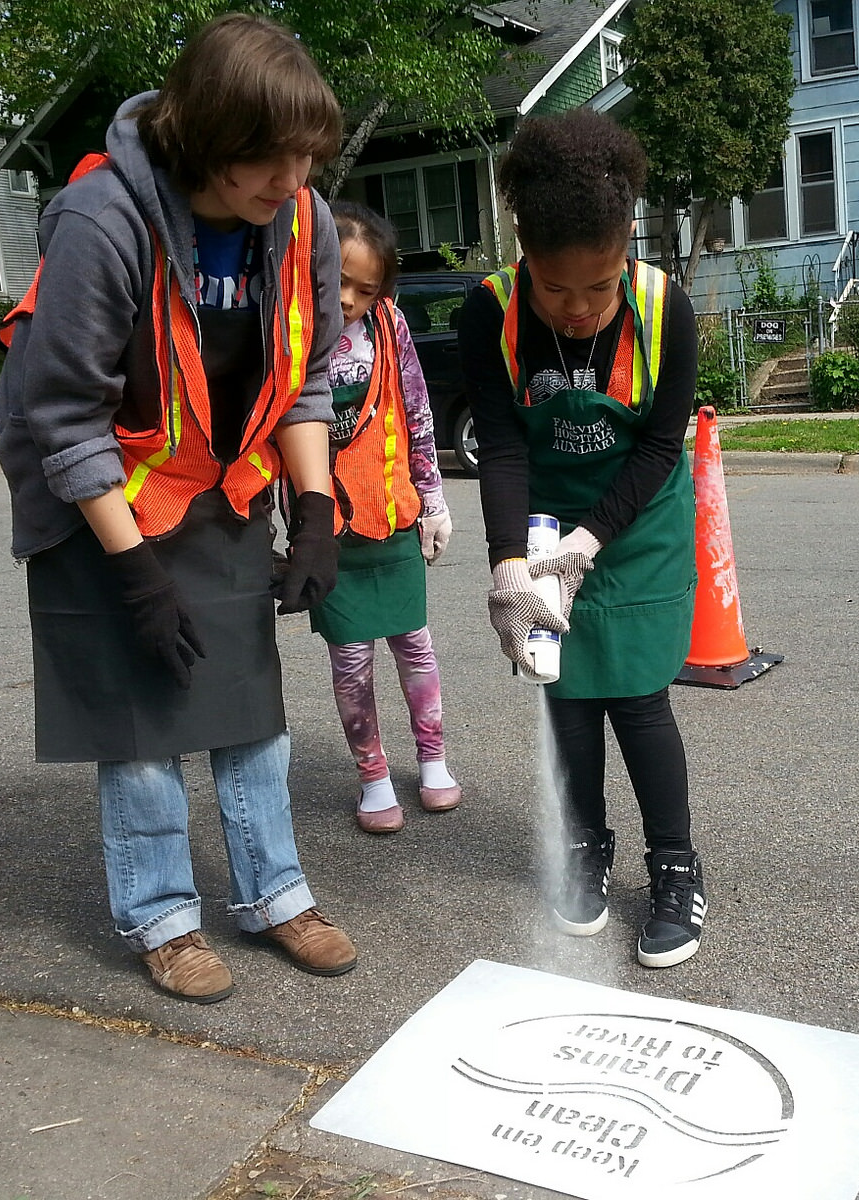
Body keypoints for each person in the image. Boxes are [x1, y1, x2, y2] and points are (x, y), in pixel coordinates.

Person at [0, 13, 355, 1003]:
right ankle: (161, 916)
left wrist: (315, 508)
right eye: (268, 161)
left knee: (250, 706)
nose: (291, 182)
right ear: (206, 140)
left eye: (304, 160)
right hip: (99, 497)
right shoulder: (101, 219)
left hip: (216, 482)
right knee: (142, 719)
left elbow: (306, 377)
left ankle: (275, 894)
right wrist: (135, 573)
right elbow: (62, 417)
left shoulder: (302, 219)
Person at [459, 110, 706, 969]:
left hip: (638, 524)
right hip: (543, 513)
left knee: (636, 694)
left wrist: (588, 546)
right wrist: (512, 567)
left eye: (597, 287)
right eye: (555, 288)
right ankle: (583, 846)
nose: (576, 309)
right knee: (561, 690)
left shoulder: (664, 309)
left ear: (626, 241)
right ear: (522, 247)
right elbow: (505, 441)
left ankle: (675, 866)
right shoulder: (485, 314)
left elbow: (660, 443)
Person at [303, 201, 461, 834]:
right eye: (337, 280)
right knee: (350, 659)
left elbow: (418, 417)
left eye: (364, 289)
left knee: (415, 646)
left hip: (394, 514)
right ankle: (372, 776)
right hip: (330, 528)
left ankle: (433, 761)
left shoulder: (390, 330)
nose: (347, 299)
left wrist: (435, 501)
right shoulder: (289, 331)